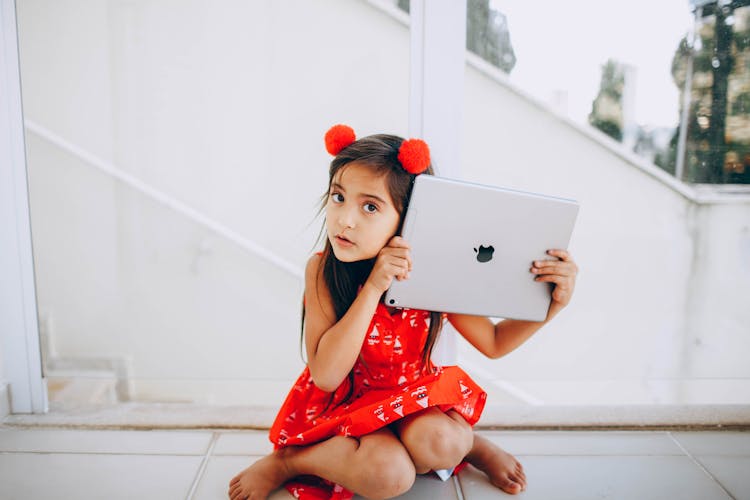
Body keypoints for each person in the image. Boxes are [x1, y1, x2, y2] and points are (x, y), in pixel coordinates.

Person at [229, 124, 578, 500]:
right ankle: (290, 462)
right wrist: (375, 287)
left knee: (442, 443)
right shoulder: (324, 271)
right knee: (388, 477)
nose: (346, 219)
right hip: (346, 405)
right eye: (338, 197)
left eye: (370, 206)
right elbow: (327, 375)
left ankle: (470, 445)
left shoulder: (434, 273)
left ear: (410, 219)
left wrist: (553, 303)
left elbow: (493, 342)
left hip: (413, 399)